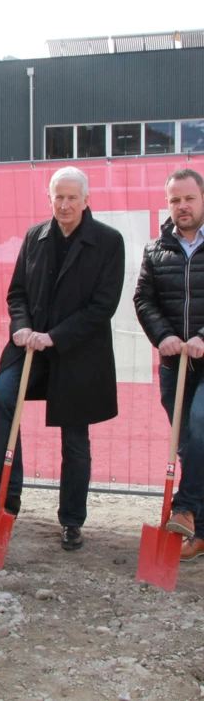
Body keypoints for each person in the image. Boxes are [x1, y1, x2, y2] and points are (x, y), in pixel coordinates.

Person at [0, 166, 125, 551]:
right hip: (29, 348)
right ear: (49, 198)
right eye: (58, 196)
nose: (65, 204)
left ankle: (72, 520)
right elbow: (17, 293)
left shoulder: (108, 241)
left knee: (75, 441)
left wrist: (54, 337)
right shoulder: (35, 236)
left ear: (86, 200)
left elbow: (102, 307)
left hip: (77, 354)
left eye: (72, 197)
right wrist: (21, 327)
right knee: (2, 398)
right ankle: (7, 493)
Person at [134, 167, 204, 562]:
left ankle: (184, 508)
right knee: (188, 445)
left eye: (189, 198)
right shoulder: (156, 249)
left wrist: (202, 338)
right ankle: (200, 529)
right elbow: (144, 300)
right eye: (175, 200)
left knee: (199, 424)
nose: (182, 206)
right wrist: (164, 337)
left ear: (202, 199)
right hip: (174, 363)